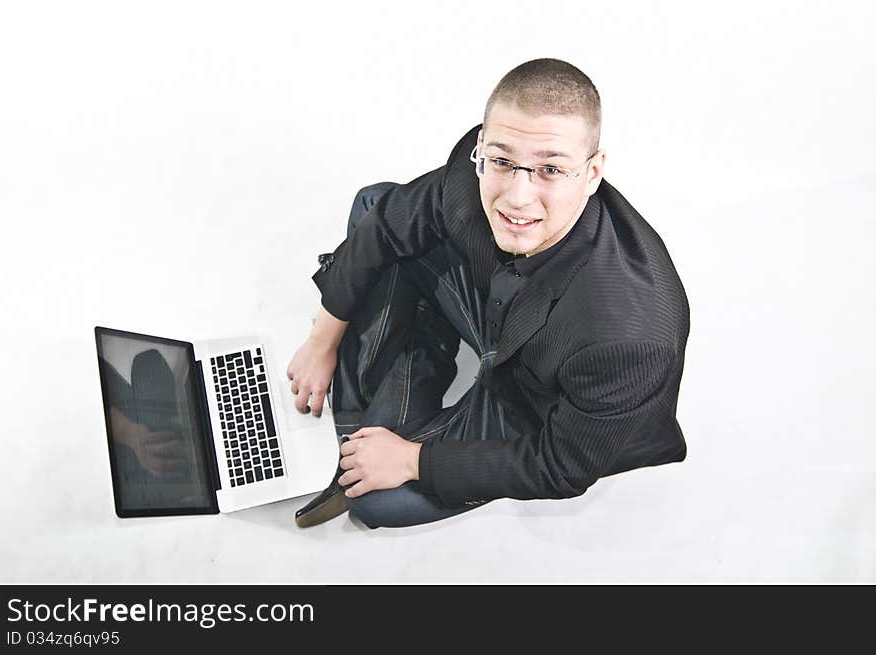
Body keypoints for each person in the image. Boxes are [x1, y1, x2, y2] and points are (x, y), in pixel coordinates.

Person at [287, 58, 690, 529]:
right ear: (482, 147)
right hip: (494, 308)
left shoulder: (630, 338)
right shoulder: (475, 171)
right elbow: (390, 221)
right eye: (501, 161)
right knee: (376, 202)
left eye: (550, 170)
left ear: (593, 171)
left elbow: (561, 466)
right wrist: (322, 341)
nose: (517, 198)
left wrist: (414, 462)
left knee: (377, 502)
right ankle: (392, 395)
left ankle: (371, 429)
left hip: (532, 402)